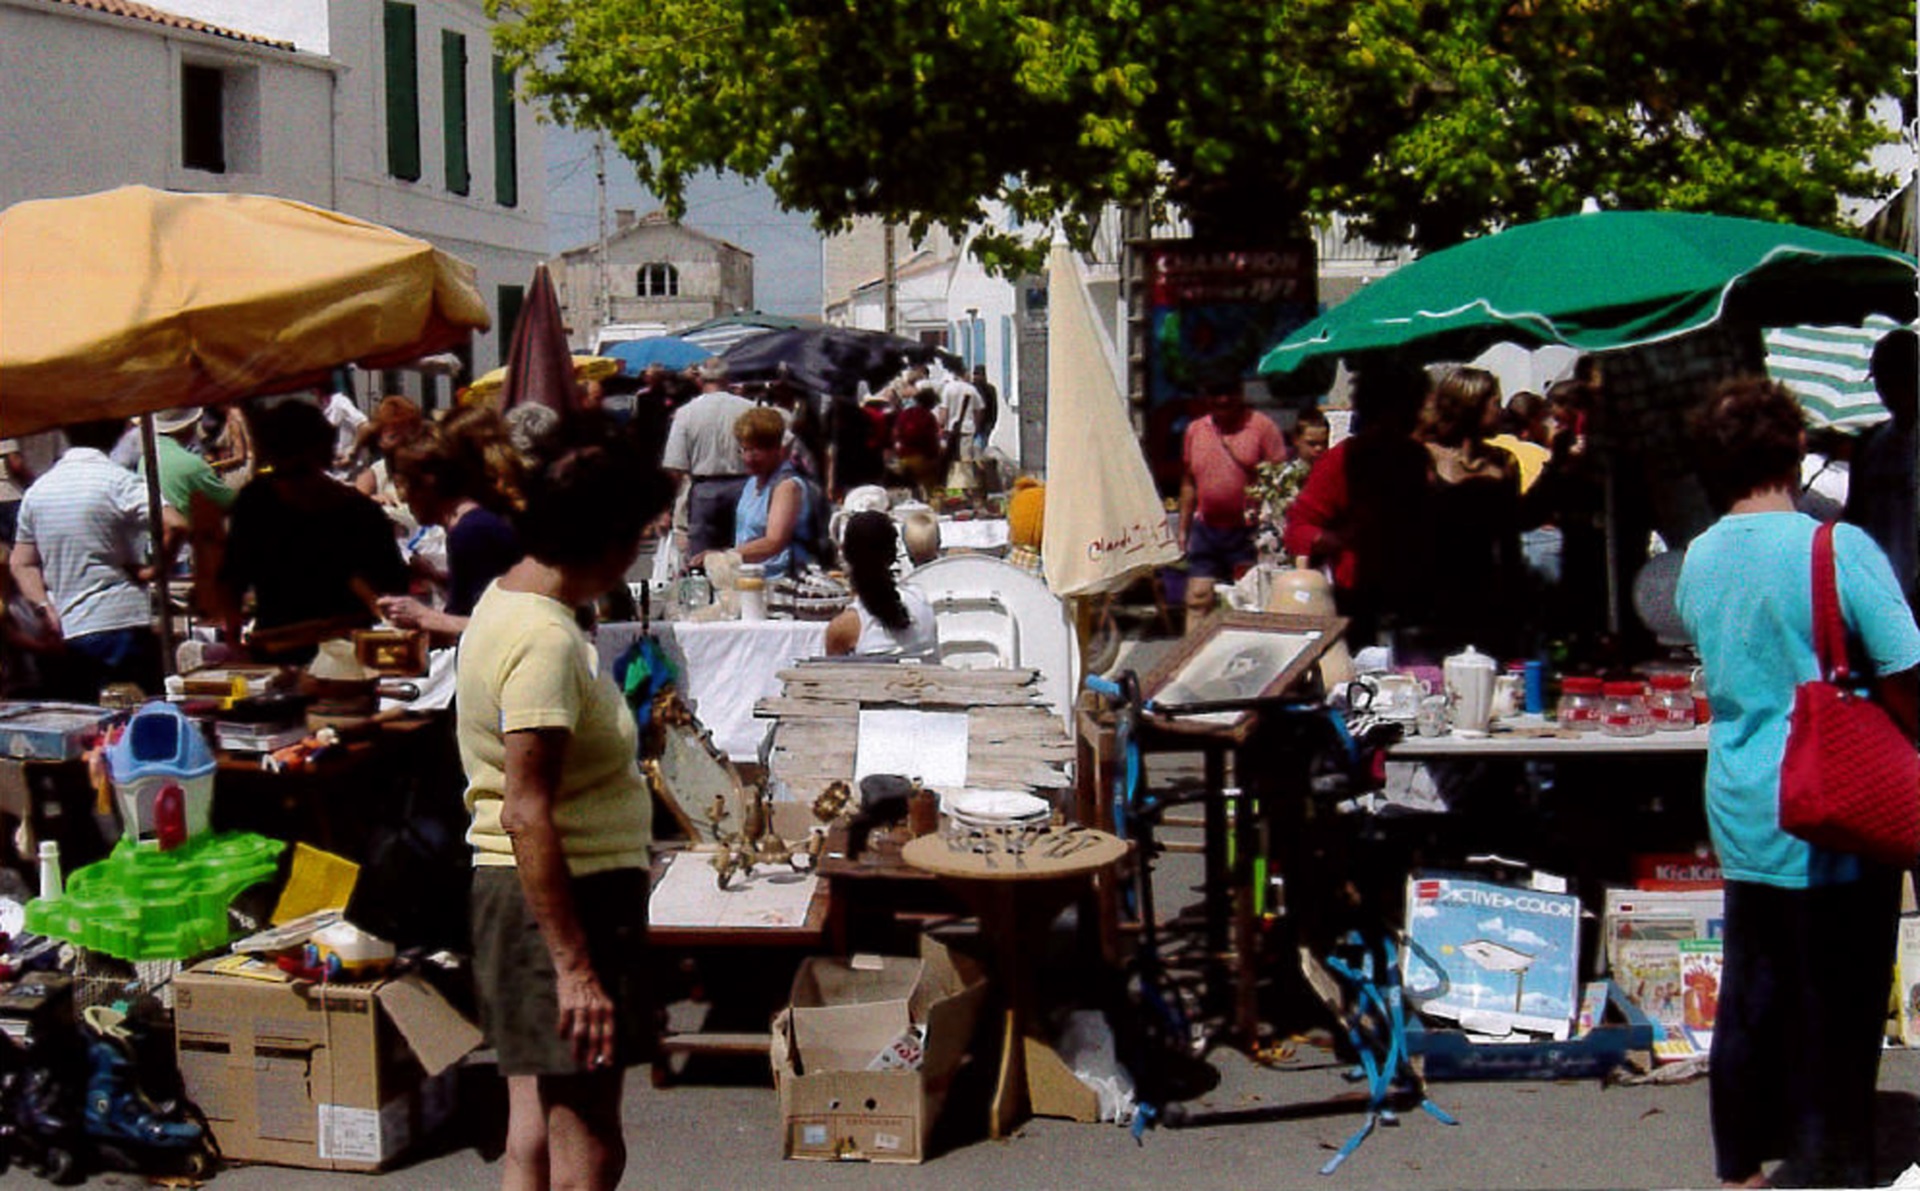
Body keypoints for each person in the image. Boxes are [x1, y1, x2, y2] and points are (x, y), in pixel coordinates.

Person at [1675, 376, 1920, 1189]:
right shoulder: (1836, 546)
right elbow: (1905, 662)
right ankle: (1833, 1159)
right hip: (1838, 795)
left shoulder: (1699, 558)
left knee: (1752, 987)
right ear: (1795, 451)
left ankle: (1740, 1162)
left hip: (1745, 795)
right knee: (1842, 997)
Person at [455, 427, 671, 1191]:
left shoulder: (508, 602)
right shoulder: (543, 641)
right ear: (602, 541)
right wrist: (575, 967)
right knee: (589, 1147)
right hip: (560, 900)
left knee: (537, 1136)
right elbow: (526, 810)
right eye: (635, 541)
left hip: (533, 897)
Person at [220, 401, 409, 661]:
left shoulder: (358, 512)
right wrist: (234, 637)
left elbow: (389, 593)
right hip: (278, 649)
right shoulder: (256, 502)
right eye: (287, 471)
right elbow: (233, 578)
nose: (295, 484)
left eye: (300, 470)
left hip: (347, 652)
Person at [1283, 361, 1434, 649]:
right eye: (1410, 405)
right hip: (1360, 598)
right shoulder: (1342, 460)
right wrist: (1341, 539)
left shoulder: (1415, 457)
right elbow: (1298, 530)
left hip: (1414, 591)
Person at [8, 419, 161, 699]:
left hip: (73, 625)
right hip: (124, 619)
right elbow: (176, 524)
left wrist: (44, 608)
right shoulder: (119, 480)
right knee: (138, 716)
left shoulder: (38, 491)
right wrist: (154, 570)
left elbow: (21, 562)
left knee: (88, 725)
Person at [376, 425, 525, 638]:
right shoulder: (467, 527)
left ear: (428, 484)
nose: (403, 497)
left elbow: (498, 628)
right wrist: (436, 577)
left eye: (403, 484)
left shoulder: (473, 532)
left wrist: (423, 616)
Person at [1421, 367, 1524, 656]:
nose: (1501, 409)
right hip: (1437, 590)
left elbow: (1512, 532)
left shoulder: (1504, 461)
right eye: (1494, 401)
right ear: (1471, 403)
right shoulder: (1425, 457)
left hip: (1489, 589)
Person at [1177, 377, 1287, 625]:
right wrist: (1183, 530)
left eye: (1229, 392)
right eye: (1216, 393)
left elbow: (1280, 482)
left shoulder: (1262, 428)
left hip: (1248, 532)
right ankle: (1191, 660)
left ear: (1240, 393)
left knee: (1250, 602)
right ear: (1207, 397)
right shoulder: (1195, 430)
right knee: (1197, 598)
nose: (1223, 400)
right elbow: (1188, 483)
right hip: (1206, 528)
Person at [695, 407, 812, 580]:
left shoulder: (786, 486)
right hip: (746, 578)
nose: (748, 458)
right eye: (744, 450)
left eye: (755, 451)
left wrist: (722, 557)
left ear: (776, 449)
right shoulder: (752, 482)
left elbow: (773, 542)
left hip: (777, 582)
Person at [1844, 328, 1917, 602]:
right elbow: (1855, 520)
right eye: (1881, 380)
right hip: (1881, 594)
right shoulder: (1869, 445)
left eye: (1896, 379)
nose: (1885, 390)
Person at [660, 358, 755, 558]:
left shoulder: (686, 413)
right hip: (744, 487)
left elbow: (675, 466)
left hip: (705, 491)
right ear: (728, 379)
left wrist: (665, 509)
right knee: (742, 555)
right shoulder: (749, 409)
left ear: (700, 380)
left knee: (701, 558)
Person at [824, 511, 939, 660]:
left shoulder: (844, 627)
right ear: (893, 552)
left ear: (845, 554)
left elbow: (832, 678)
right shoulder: (922, 601)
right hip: (927, 681)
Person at [892, 386, 946, 500]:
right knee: (933, 487)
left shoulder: (905, 413)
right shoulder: (928, 416)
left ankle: (916, 502)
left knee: (912, 485)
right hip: (922, 459)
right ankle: (934, 504)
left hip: (904, 457)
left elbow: (896, 433)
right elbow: (931, 440)